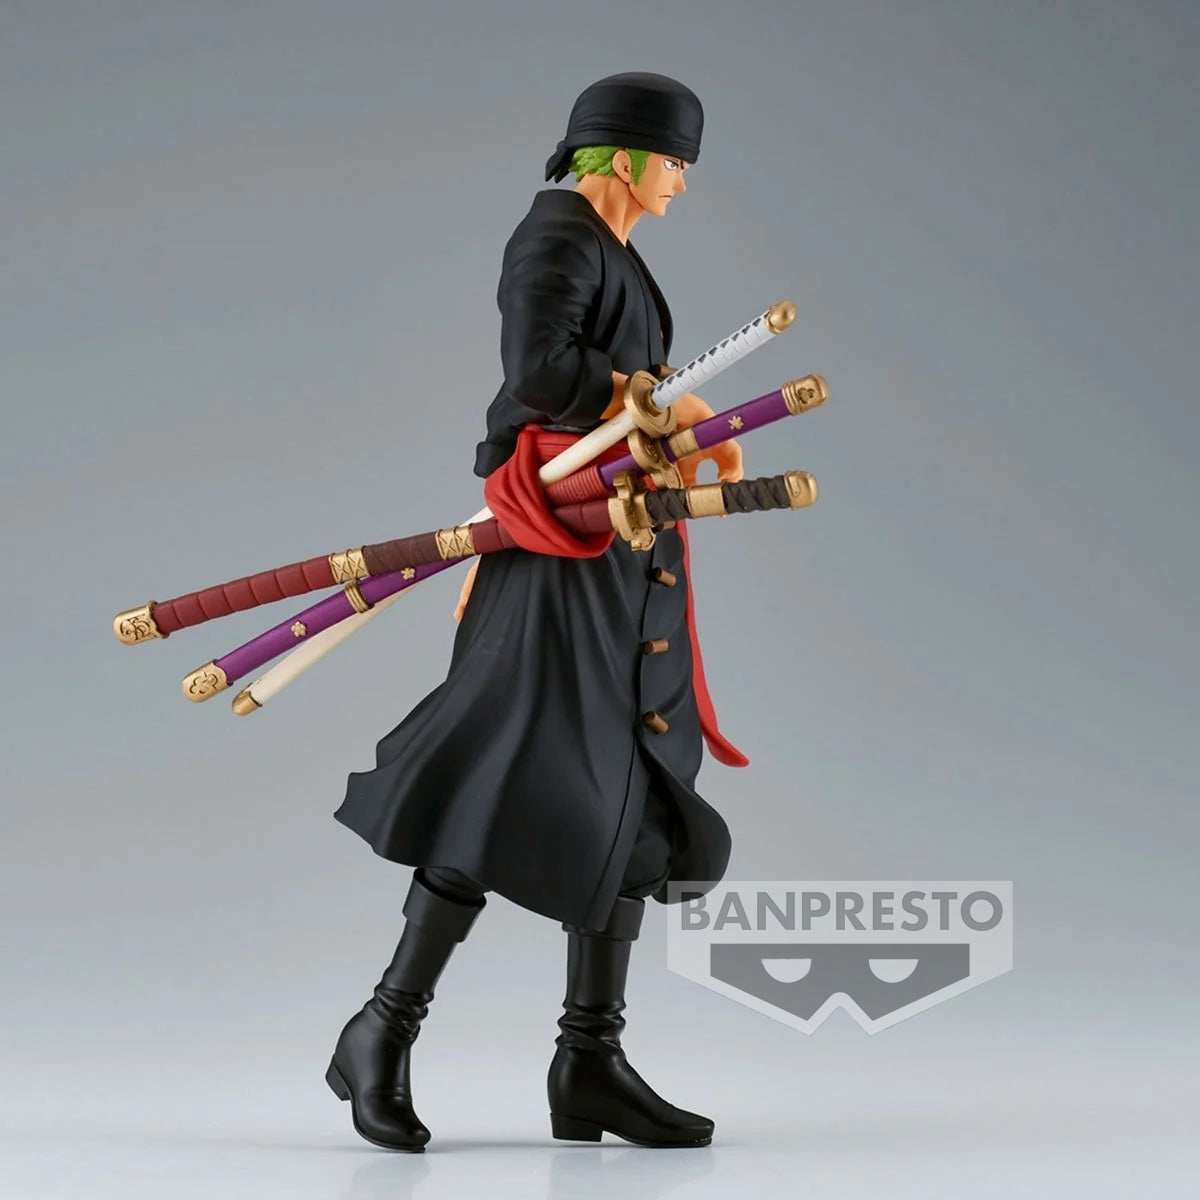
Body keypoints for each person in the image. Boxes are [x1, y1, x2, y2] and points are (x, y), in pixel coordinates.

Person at [327, 72, 746, 1151]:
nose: (683, 179)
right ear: (623, 155)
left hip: (620, 552)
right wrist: (663, 403)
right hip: (558, 554)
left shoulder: (615, 252)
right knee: (505, 774)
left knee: (632, 786)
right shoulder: (556, 236)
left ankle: (589, 1061)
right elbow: (541, 373)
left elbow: (616, 391)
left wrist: (673, 424)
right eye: (675, 159)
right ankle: (382, 1028)